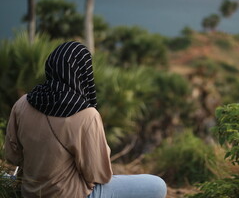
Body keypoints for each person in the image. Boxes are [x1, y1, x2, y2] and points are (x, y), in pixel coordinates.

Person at [5, 41, 167, 198]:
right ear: (84, 72)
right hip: (72, 194)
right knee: (157, 185)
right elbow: (99, 175)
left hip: (30, 192)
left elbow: (12, 157)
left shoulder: (23, 103)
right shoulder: (86, 114)